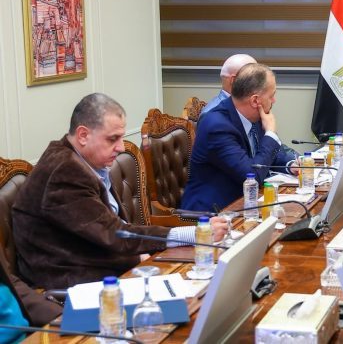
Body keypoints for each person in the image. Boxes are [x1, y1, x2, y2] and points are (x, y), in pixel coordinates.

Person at [12, 93, 227, 290]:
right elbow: (115, 234)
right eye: (112, 139)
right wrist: (196, 234)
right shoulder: (65, 172)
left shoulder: (83, 161)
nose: (121, 147)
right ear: (83, 135)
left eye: (121, 138)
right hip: (72, 281)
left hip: (104, 262)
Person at [182, 63, 299, 211]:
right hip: (213, 213)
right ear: (255, 101)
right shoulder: (217, 126)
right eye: (271, 96)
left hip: (244, 203)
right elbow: (252, 177)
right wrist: (270, 133)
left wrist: (291, 165)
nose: (274, 101)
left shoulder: (252, 116)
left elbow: (265, 154)